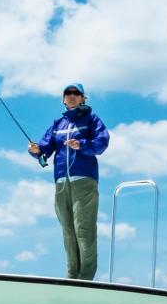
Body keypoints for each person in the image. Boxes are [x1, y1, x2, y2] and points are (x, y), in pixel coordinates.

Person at [29, 83, 110, 280]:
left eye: (76, 93)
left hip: (83, 179)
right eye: (68, 93)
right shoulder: (58, 124)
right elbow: (45, 148)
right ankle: (72, 275)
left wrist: (81, 145)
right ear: (63, 99)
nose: (72, 96)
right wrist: (36, 151)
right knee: (68, 230)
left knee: (84, 229)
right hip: (61, 183)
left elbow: (102, 143)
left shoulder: (91, 120)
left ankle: (85, 278)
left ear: (83, 98)